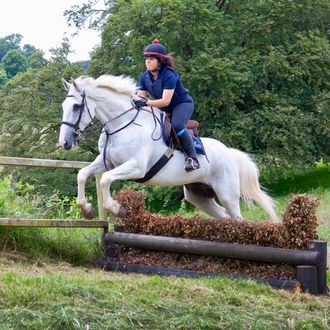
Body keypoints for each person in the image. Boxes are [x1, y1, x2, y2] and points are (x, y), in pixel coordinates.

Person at [134, 39, 200, 172]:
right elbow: (140, 96)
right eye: (146, 58)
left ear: (160, 61)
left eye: (151, 58)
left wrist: (146, 103)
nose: (147, 61)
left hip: (182, 104)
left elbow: (165, 101)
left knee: (177, 125)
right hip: (163, 107)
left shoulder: (169, 75)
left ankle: (192, 158)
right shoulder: (145, 76)